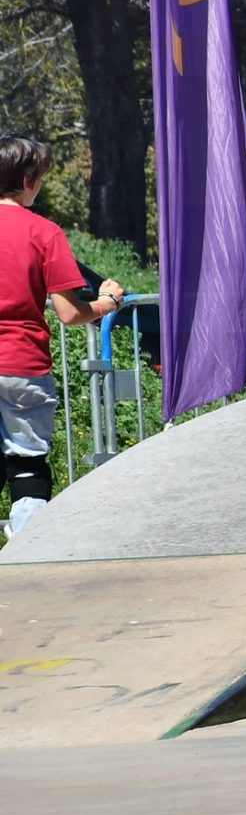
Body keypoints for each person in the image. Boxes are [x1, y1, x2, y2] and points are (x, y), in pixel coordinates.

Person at [0, 136, 121, 536]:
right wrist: (106, 303)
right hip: (22, 363)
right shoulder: (44, 232)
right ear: (28, 179)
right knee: (28, 462)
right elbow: (69, 313)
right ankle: (27, 552)